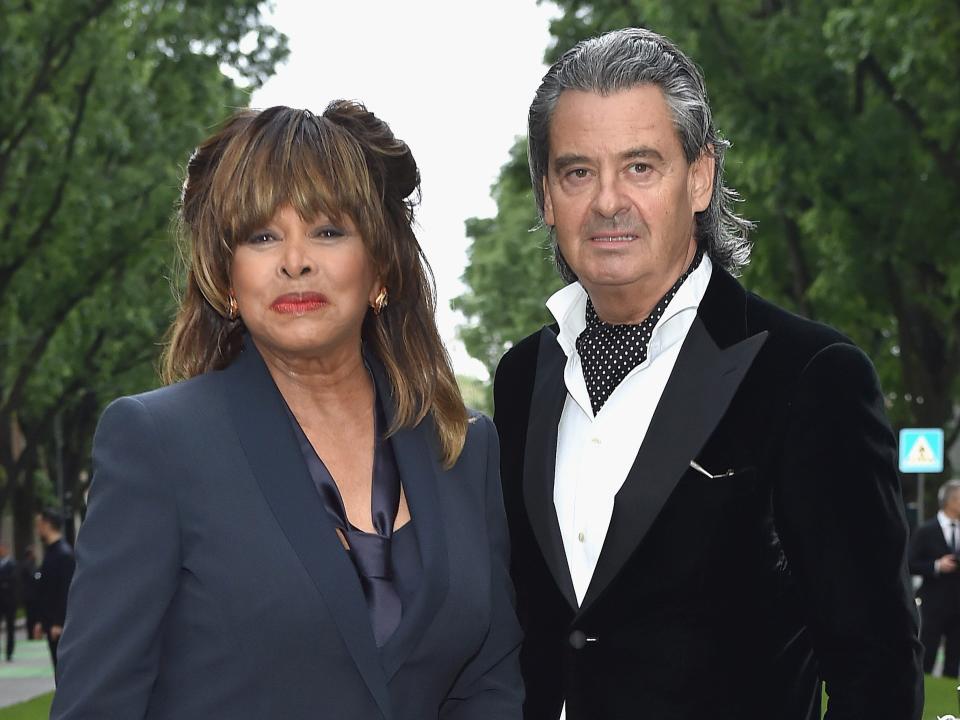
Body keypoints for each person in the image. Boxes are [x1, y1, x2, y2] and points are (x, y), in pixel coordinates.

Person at [493, 27, 922, 720]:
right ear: (546, 195)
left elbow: (874, 666)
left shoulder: (811, 376)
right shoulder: (522, 377)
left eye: (640, 166)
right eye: (578, 171)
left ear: (700, 177)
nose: (607, 201)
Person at [51, 103, 523, 719]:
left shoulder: (464, 447)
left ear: (379, 265)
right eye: (261, 235)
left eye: (328, 230)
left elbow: (490, 682)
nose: (295, 261)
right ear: (225, 276)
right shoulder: (156, 445)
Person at [909, 479, 960, 677]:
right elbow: (909, 563)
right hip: (934, 603)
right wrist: (937, 566)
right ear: (951, 501)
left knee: (954, 657)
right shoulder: (926, 531)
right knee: (928, 653)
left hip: (957, 604)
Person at [34, 509, 75, 669]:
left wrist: (59, 622)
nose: (38, 529)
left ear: (47, 524)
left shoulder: (63, 554)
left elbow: (66, 590)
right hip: (51, 624)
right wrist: (40, 621)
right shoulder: (52, 552)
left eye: (39, 525)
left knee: (63, 672)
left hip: (59, 627)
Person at [19, 546, 39, 641]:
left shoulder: (27, 564)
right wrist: (40, 575)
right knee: (31, 616)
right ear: (29, 555)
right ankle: (31, 634)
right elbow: (35, 576)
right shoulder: (28, 564)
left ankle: (32, 633)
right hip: (30, 595)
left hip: (29, 595)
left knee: (31, 615)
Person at [0, 544, 16, 661]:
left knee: (10, 628)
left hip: (10, 601)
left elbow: (15, 581)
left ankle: (9, 652)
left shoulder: (11, 564)